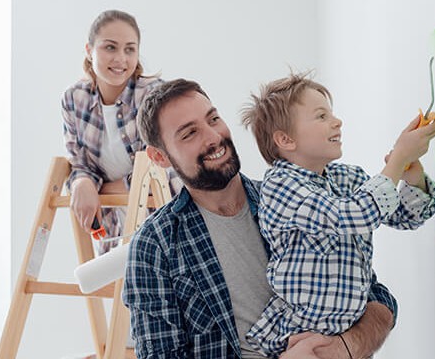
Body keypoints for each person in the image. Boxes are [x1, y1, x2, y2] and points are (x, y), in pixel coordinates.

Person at [123, 78, 400, 358]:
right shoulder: (155, 246)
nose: (213, 137)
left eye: (213, 119)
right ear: (160, 156)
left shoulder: (292, 200)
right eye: (189, 133)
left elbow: (376, 297)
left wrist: (346, 347)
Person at [239, 73, 435, 357]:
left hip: (347, 334)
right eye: (321, 116)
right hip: (301, 335)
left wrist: (411, 176)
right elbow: (352, 215)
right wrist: (396, 160)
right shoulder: (281, 185)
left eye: (331, 113)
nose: (337, 122)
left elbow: (405, 216)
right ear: (285, 139)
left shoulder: (347, 178)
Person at [61, 9, 179, 253]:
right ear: (89, 50)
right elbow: (79, 163)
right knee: (110, 283)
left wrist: (98, 189)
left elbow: (161, 167)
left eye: (130, 49)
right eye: (110, 47)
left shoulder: (153, 95)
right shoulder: (74, 99)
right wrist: (82, 181)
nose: (121, 59)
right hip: (115, 224)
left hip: (166, 217)